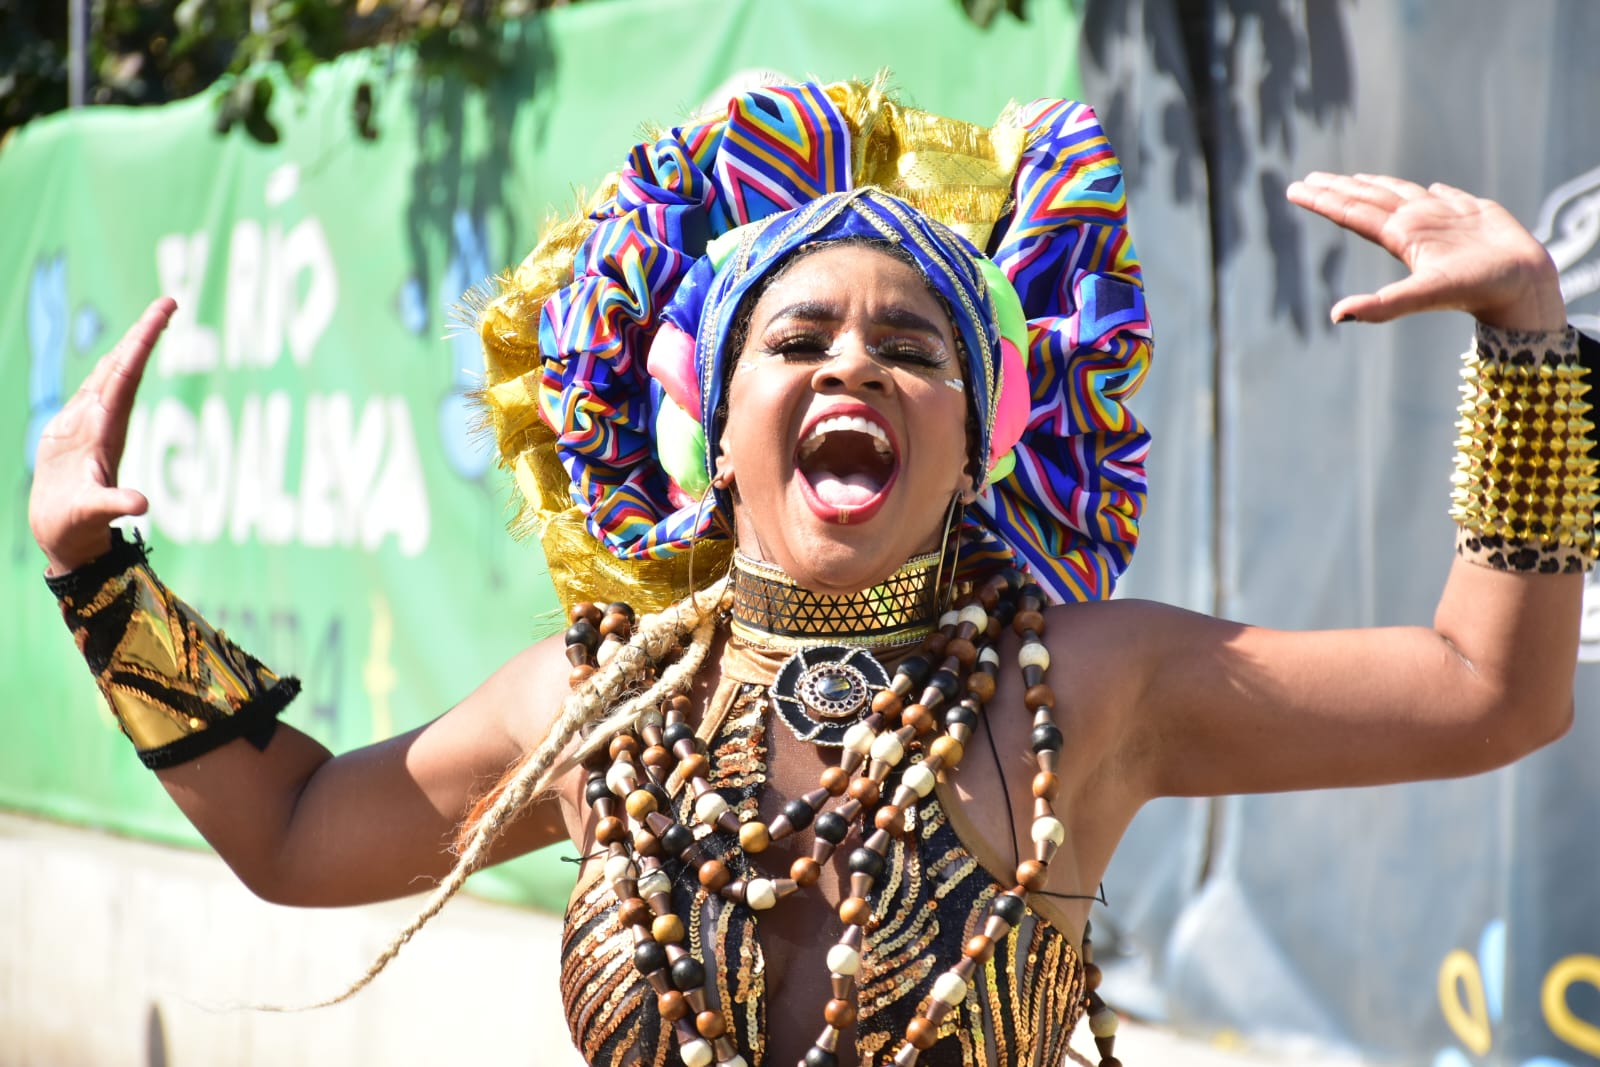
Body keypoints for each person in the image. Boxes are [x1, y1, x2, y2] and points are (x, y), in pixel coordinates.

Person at [29, 81, 1593, 1067]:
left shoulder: (1090, 685)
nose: (860, 364)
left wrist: (1531, 346)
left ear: (980, 439)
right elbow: (298, 832)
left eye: (914, 349)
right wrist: (102, 584)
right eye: (801, 339)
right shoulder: (601, 705)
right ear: (709, 426)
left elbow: (1483, 692)